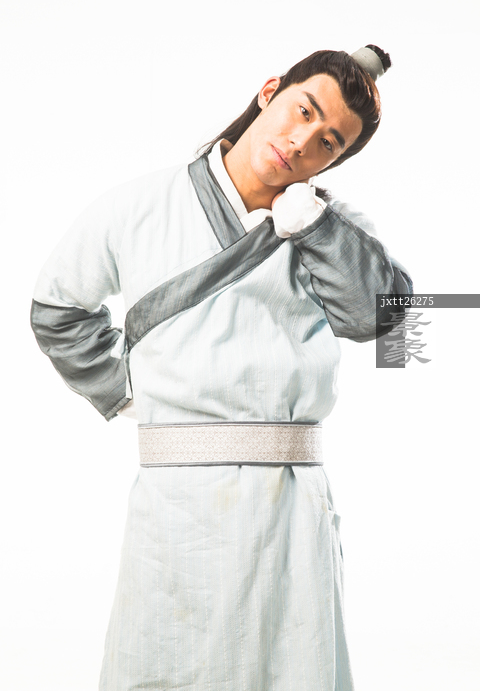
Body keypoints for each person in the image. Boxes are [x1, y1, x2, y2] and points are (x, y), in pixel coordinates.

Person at [31, 45, 412, 691]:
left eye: (329, 142)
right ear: (269, 91)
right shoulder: (140, 203)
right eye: (303, 111)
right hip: (176, 502)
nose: (302, 142)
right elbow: (57, 308)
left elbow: (389, 320)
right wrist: (119, 389)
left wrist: (316, 230)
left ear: (336, 161)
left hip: (290, 504)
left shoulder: (333, 228)